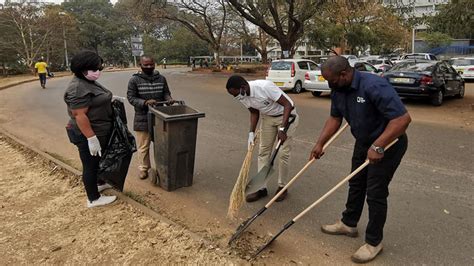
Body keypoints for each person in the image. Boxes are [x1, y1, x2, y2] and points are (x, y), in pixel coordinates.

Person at [309, 56, 411, 263]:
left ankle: (374, 243)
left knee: (375, 193)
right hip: (364, 142)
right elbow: (335, 118)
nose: (330, 86)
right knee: (355, 183)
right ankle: (349, 223)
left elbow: (402, 119)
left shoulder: (374, 85)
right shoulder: (338, 88)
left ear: (345, 74)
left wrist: (378, 146)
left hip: (388, 144)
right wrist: (320, 143)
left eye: (333, 81)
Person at [226, 75, 299, 202]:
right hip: (268, 118)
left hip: (287, 116)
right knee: (263, 152)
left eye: (236, 94)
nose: (236, 97)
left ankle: (282, 187)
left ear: (243, 87)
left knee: (283, 153)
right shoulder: (243, 96)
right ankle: (261, 188)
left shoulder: (264, 87)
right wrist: (251, 133)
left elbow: (288, 104)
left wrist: (282, 129)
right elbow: (254, 112)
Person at [64, 50, 117, 208]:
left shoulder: (87, 81)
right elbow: (80, 115)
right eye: (95, 69)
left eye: (99, 68)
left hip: (99, 129)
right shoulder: (77, 88)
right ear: (82, 69)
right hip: (86, 133)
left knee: (97, 161)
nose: (98, 72)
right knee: (90, 165)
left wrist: (110, 99)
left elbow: (94, 98)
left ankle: (99, 183)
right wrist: (91, 139)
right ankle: (93, 198)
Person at [127, 55, 174, 180]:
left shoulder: (161, 78)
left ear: (155, 64)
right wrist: (145, 102)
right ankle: (143, 169)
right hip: (142, 117)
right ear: (140, 65)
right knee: (143, 146)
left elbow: (166, 93)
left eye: (151, 64)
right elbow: (131, 98)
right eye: (145, 65)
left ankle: (161, 167)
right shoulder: (134, 80)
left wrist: (168, 99)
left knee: (161, 144)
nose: (148, 67)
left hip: (160, 116)